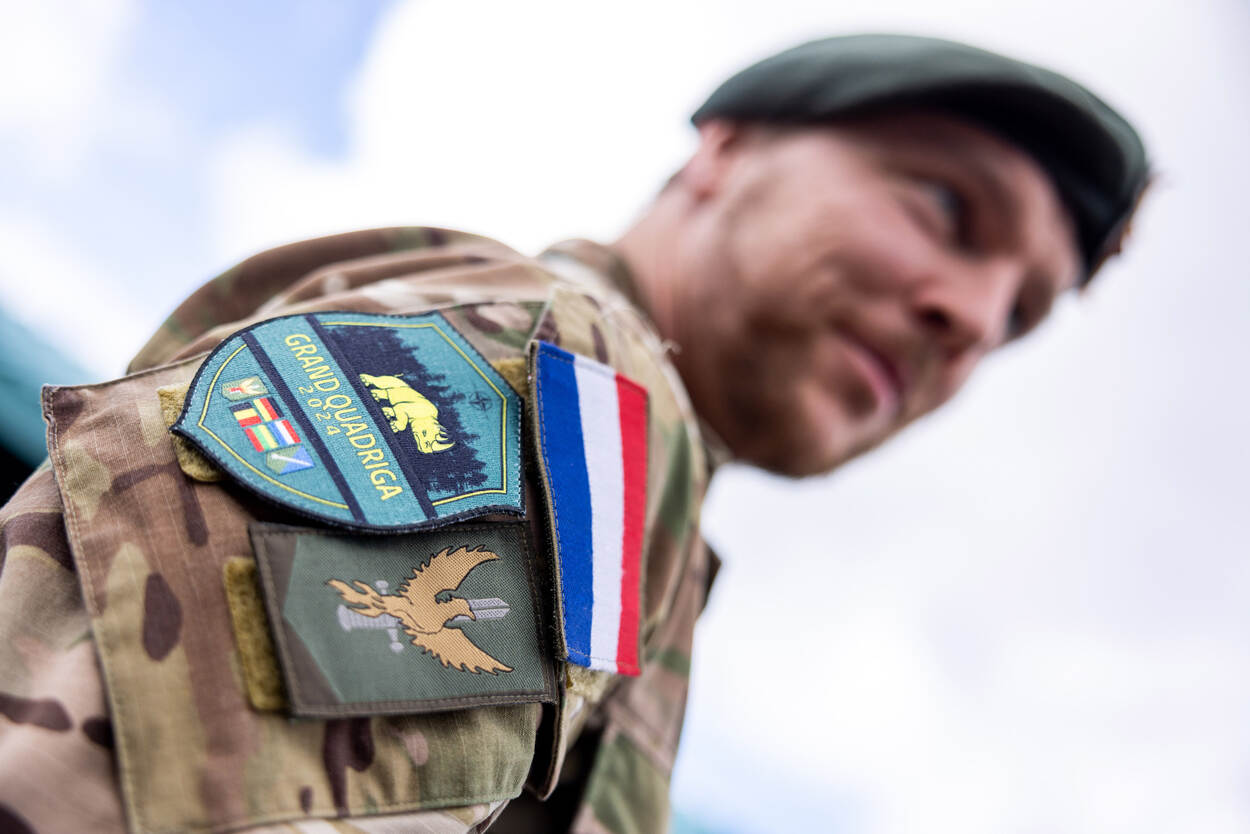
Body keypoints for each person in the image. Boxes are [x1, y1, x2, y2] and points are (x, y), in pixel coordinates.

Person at [0, 33, 1148, 834]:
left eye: (1017, 318)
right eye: (945, 207)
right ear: (723, 153)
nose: (970, 318)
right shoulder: (570, 386)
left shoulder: (631, 502)